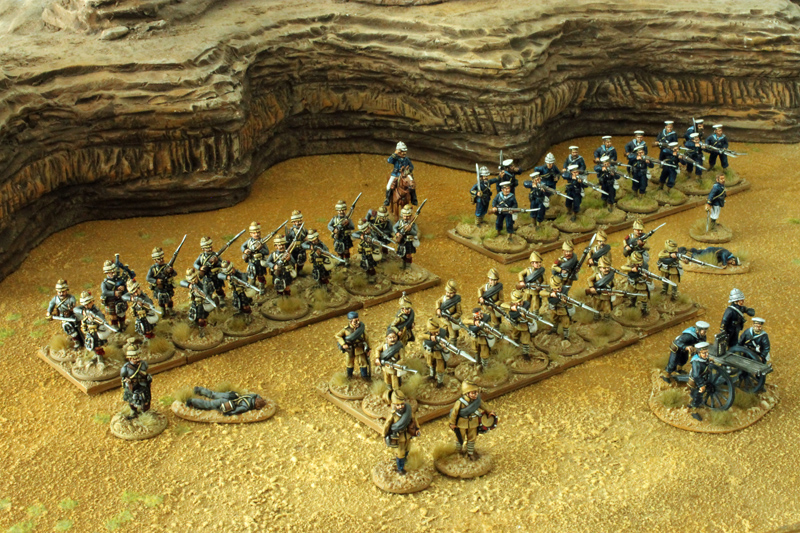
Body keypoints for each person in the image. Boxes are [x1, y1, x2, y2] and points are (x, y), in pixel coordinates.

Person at [449, 381, 495, 461]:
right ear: (467, 393)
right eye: (473, 393)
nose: (476, 394)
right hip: (461, 423)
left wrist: (489, 411)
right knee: (460, 438)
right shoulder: (459, 402)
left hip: (473, 423)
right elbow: (454, 413)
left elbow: (484, 406)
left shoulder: (477, 401)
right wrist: (452, 423)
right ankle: (458, 453)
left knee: (472, 438)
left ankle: (470, 453)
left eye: (476, 392)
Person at [383, 390, 420, 475]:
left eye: (402, 404)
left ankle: (404, 460)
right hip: (398, 437)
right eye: (398, 405)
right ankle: (400, 468)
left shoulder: (408, 411)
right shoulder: (393, 415)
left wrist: (417, 428)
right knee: (400, 453)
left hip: (407, 434)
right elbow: (387, 425)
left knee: (407, 449)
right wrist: (384, 435)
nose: (400, 406)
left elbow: (414, 420)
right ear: (394, 405)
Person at [75, 290, 113, 365]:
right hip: (89, 331)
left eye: (88, 304)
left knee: (98, 346)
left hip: (96, 331)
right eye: (85, 305)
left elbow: (101, 319)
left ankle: (100, 359)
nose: (86, 306)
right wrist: (83, 312)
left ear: (92, 302)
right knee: (91, 345)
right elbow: (75, 309)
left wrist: (96, 319)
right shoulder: (84, 309)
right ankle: (95, 356)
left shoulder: (96, 311)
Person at [334, 311, 372, 381]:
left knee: (363, 363)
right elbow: (337, 336)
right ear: (350, 321)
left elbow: (366, 338)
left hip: (359, 349)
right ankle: (349, 376)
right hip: (350, 350)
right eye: (355, 321)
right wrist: (343, 344)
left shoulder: (361, 329)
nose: (357, 322)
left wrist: (369, 348)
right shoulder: (346, 330)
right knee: (349, 363)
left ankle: (364, 377)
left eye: (358, 320)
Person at [120, 339, 152, 419]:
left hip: (143, 384)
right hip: (132, 386)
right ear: (130, 358)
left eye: (137, 357)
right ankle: (133, 411)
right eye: (134, 358)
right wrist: (127, 381)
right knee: (131, 401)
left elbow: (146, 373)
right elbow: (123, 378)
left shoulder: (143, 364)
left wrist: (148, 378)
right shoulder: (125, 368)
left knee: (146, 399)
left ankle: (145, 412)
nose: (137, 359)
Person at [46, 279, 82, 349]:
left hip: (71, 316)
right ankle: (76, 340)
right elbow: (51, 305)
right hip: (63, 317)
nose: (61, 293)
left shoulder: (71, 298)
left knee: (73, 328)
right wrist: (49, 312)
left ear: (66, 290)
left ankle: (79, 341)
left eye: (63, 292)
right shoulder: (55, 299)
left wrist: (71, 308)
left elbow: (73, 305)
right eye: (59, 292)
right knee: (68, 329)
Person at [186, 386, 268, 415]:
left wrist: (260, 399)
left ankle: (199, 390)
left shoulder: (251, 396)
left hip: (229, 396)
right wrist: (227, 413)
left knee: (213, 394)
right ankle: (192, 401)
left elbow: (256, 395)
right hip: (226, 402)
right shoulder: (246, 406)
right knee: (209, 404)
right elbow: (236, 410)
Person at [502, 289, 535, 360]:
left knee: (525, 340)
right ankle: (515, 344)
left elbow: (530, 319)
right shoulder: (512, 305)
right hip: (516, 325)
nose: (520, 303)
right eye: (518, 302)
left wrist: (524, 316)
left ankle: (525, 353)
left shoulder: (525, 306)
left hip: (524, 326)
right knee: (515, 335)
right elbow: (502, 305)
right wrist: (511, 308)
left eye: (521, 301)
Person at [194, 237, 227, 306]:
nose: (210, 249)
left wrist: (216, 262)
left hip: (215, 275)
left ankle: (221, 298)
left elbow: (221, 264)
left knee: (218, 288)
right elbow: (195, 264)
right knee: (208, 290)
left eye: (210, 247)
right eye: (207, 248)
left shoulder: (215, 255)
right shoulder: (201, 257)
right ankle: (210, 302)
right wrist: (200, 268)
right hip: (207, 276)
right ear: (203, 249)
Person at [146, 247, 178, 316]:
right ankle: (163, 310)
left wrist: (171, 271)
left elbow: (175, 274)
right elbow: (148, 278)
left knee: (169, 300)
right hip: (159, 287)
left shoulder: (167, 266)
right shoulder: (153, 268)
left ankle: (170, 309)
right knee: (160, 301)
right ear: (155, 260)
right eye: (159, 259)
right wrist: (156, 281)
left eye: (162, 258)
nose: (161, 260)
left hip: (167, 286)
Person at [100, 259, 131, 329]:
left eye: (112, 272)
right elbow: (105, 292)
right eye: (109, 273)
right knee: (113, 316)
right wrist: (114, 293)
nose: (111, 274)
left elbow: (126, 288)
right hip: (110, 301)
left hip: (120, 299)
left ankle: (123, 325)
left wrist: (123, 288)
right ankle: (115, 327)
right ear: (106, 273)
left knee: (122, 313)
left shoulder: (119, 279)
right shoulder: (104, 283)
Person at [385, 141, 418, 206]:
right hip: (395, 174)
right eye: (402, 151)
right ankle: (387, 199)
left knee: (411, 183)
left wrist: (408, 170)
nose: (404, 153)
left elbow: (411, 166)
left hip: (405, 175)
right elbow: (389, 161)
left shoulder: (406, 159)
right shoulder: (395, 158)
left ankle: (414, 199)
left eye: (404, 151)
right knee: (388, 186)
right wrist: (394, 154)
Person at [183, 267, 214, 333]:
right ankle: (196, 324)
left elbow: (207, 294)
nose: (193, 282)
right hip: (194, 303)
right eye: (191, 280)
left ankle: (202, 331)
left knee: (201, 319)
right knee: (194, 316)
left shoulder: (202, 285)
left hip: (201, 304)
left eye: (194, 279)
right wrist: (189, 285)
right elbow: (181, 282)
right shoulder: (192, 285)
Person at [375, 327, 405, 393]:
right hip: (385, 368)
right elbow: (377, 349)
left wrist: (396, 365)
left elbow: (403, 359)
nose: (392, 339)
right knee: (387, 381)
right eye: (390, 338)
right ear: (387, 338)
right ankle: (389, 392)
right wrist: (377, 358)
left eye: (394, 337)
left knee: (395, 384)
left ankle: (396, 394)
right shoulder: (384, 346)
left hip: (393, 369)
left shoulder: (399, 348)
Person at [619, 251, 650, 316]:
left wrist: (646, 276)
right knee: (632, 293)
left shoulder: (645, 265)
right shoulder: (631, 264)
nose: (640, 264)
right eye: (638, 263)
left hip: (641, 283)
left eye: (640, 262)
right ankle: (632, 304)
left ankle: (644, 310)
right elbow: (623, 267)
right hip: (632, 282)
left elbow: (648, 277)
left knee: (643, 296)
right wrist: (632, 269)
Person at [240, 222, 269, 290]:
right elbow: (242, 246)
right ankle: (253, 286)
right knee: (252, 276)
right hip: (252, 261)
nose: (256, 234)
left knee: (260, 276)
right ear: (251, 234)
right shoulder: (249, 241)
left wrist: (260, 249)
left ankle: (262, 287)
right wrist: (245, 250)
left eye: (258, 232)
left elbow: (267, 252)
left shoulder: (262, 242)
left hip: (259, 262)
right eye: (254, 233)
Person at [585, 256, 615, 321]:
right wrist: (591, 287)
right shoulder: (597, 274)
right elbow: (589, 279)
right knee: (596, 306)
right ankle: (596, 317)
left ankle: (607, 319)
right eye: (604, 268)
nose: (606, 269)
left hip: (606, 295)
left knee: (607, 308)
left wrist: (613, 291)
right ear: (600, 268)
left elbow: (614, 285)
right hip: (597, 295)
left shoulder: (611, 276)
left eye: (608, 267)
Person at [688, 341, 712, 419]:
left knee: (699, 396)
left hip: (702, 379)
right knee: (696, 397)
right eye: (704, 353)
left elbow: (706, 362)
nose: (706, 355)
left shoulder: (703, 358)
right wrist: (701, 385)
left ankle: (697, 404)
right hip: (695, 382)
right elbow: (696, 375)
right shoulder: (696, 362)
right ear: (699, 353)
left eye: (707, 352)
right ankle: (694, 412)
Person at [328, 200, 355, 266]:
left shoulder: (348, 219)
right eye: (339, 210)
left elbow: (352, 227)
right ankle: (340, 260)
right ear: (337, 211)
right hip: (338, 236)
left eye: (343, 210)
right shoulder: (334, 219)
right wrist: (334, 230)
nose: (341, 212)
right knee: (338, 249)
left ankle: (346, 261)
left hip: (345, 236)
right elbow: (329, 226)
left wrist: (348, 224)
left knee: (346, 250)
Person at [422, 318, 448, 387]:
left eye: (437, 331)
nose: (437, 333)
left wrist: (444, 346)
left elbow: (447, 342)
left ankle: (440, 382)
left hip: (439, 353)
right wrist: (430, 337)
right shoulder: (427, 334)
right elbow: (421, 336)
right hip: (430, 353)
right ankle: (432, 375)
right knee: (430, 364)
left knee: (440, 368)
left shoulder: (442, 334)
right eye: (434, 332)